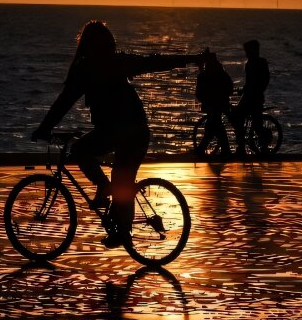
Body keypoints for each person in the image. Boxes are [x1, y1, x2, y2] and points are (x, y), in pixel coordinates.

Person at [32, 21, 203, 246]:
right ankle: (120, 227)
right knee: (121, 179)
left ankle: (114, 211)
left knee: (87, 155)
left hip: (124, 132)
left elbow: (64, 102)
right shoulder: (114, 63)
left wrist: (45, 128)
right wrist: (192, 59)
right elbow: (155, 62)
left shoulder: (88, 68)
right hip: (132, 131)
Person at [230, 39, 270, 156]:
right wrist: (243, 90)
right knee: (244, 119)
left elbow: (261, 81)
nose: (246, 53)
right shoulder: (253, 63)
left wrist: (253, 90)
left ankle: (243, 147)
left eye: (247, 51)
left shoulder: (257, 63)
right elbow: (251, 83)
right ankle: (248, 146)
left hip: (254, 98)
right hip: (250, 96)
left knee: (241, 119)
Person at [194, 50, 233, 156]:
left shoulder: (210, 73)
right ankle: (224, 149)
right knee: (214, 126)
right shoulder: (219, 71)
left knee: (214, 126)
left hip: (215, 103)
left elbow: (202, 90)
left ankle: (224, 149)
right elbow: (229, 87)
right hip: (218, 103)